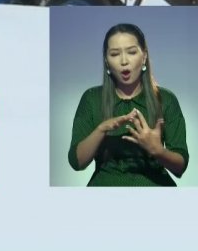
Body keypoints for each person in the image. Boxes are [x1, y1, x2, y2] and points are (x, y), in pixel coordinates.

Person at [67, 22, 190, 186]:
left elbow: (180, 167)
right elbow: (77, 162)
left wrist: (157, 150)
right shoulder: (91, 98)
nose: (124, 61)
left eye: (132, 52)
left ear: (144, 56)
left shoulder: (166, 99)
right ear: (106, 60)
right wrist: (101, 129)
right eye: (115, 54)